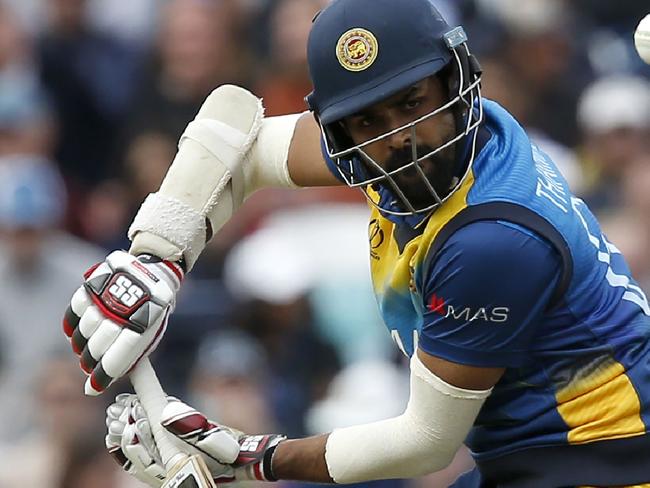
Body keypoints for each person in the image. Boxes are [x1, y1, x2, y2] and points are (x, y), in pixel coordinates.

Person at [64, 0, 650, 486]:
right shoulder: (448, 133)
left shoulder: (491, 240)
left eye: (412, 103)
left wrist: (251, 459)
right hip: (534, 450)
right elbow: (230, 136)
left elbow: (425, 443)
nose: (403, 140)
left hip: (605, 456)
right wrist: (156, 255)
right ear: (338, 130)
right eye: (369, 120)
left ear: (456, 81)